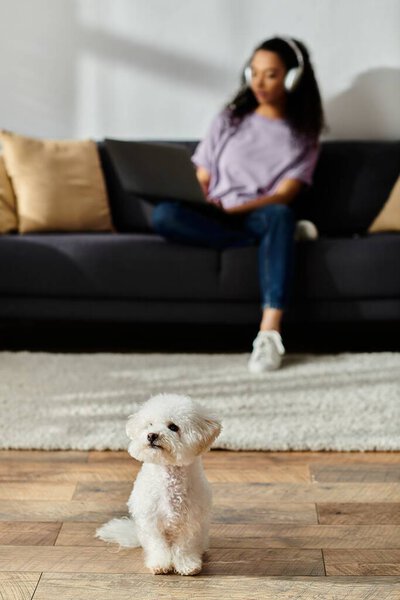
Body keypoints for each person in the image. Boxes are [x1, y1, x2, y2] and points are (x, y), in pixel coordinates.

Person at [152, 36, 325, 372]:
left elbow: (285, 193)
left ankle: (269, 333)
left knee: (280, 214)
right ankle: (282, 239)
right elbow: (203, 173)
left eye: (271, 74)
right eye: (254, 72)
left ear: (292, 78)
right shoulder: (230, 119)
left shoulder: (303, 135)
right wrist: (196, 192)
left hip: (257, 214)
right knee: (164, 215)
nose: (258, 82)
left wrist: (238, 209)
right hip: (214, 212)